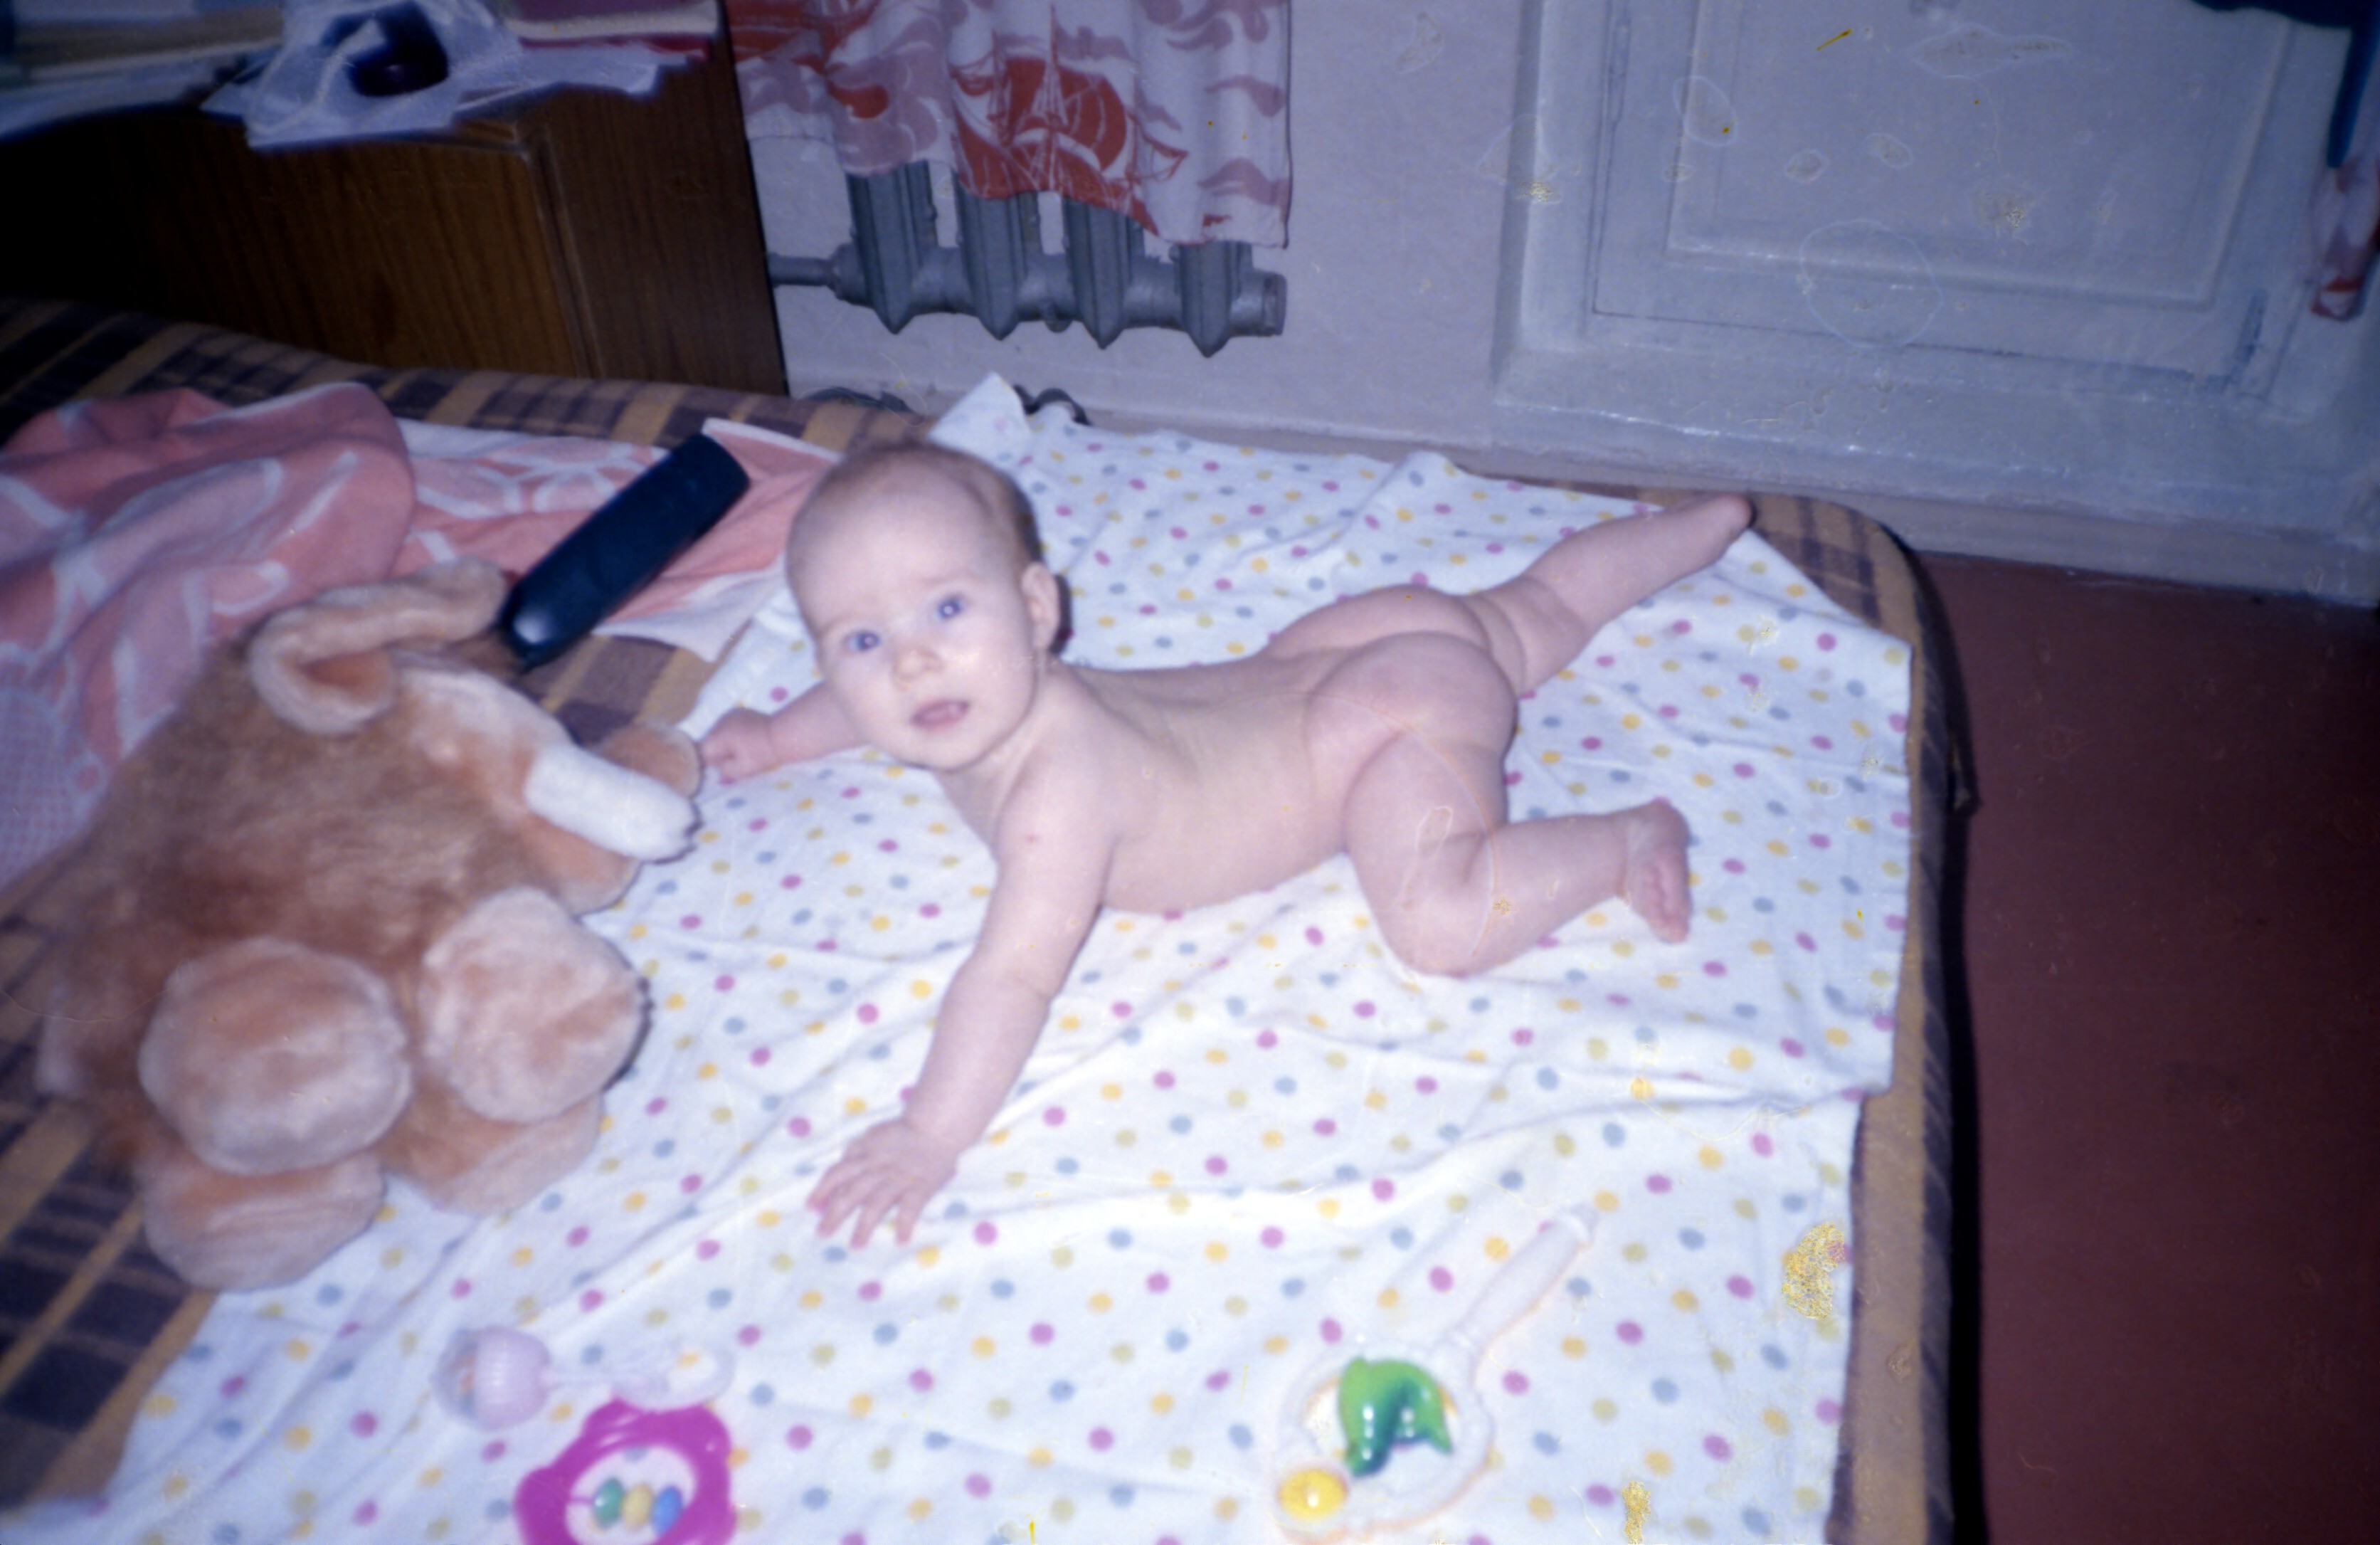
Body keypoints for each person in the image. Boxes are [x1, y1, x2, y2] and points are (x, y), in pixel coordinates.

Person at [702, 443, 1751, 1247]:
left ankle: (1623, 840)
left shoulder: (1055, 799)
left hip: (1388, 728)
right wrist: (784, 737)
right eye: (864, 640)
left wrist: (930, 1134)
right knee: (1540, 610)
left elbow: (1012, 975)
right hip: (1335, 647)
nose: (914, 663)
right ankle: (1708, 524)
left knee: (1440, 923)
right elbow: (871, 706)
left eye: (945, 609)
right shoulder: (969, 689)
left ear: (1035, 608)